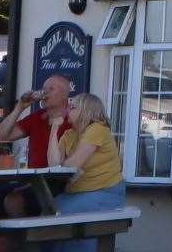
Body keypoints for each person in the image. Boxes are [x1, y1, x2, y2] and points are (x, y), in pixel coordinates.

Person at [50, 94, 126, 252]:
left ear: (86, 110)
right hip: (77, 193)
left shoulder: (98, 129)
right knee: (50, 210)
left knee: (63, 213)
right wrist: (54, 128)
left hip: (104, 192)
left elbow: (72, 165)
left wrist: (64, 163)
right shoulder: (69, 135)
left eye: (73, 107)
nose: (68, 110)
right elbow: (53, 165)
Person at [0, 76, 76, 219]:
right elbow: (2, 136)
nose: (45, 92)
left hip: (61, 181)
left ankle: (29, 239)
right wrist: (19, 107)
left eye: (51, 89)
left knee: (13, 201)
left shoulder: (74, 119)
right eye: (44, 89)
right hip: (34, 179)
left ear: (65, 94)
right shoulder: (37, 117)